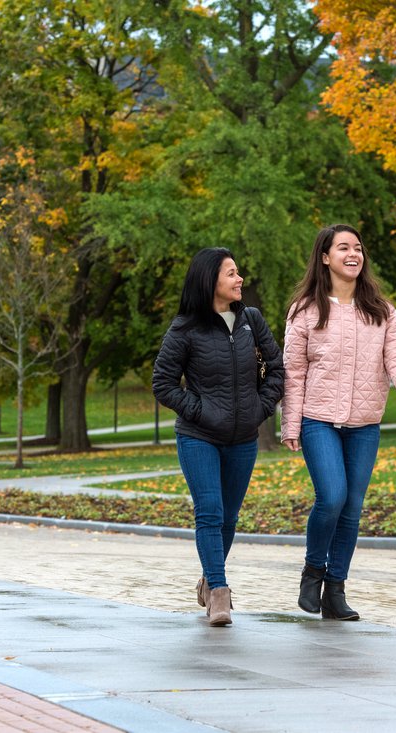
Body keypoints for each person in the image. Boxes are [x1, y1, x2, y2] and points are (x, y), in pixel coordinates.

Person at [281, 224, 396, 621]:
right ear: (325, 257)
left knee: (351, 508)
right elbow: (293, 373)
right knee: (331, 497)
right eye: (344, 248)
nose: (354, 254)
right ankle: (313, 570)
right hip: (318, 420)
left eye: (359, 248)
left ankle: (335, 591)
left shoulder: (381, 312)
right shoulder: (305, 311)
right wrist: (291, 426)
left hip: (365, 424)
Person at [153, 248, 284, 627]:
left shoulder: (251, 321)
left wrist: (259, 410)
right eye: (231, 273)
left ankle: (209, 580)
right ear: (211, 280)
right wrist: (201, 410)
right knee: (209, 511)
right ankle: (221, 596)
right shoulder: (185, 328)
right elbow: (163, 384)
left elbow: (276, 368)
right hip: (198, 437)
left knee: (228, 518)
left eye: (238, 272)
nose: (239, 279)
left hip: (243, 438)